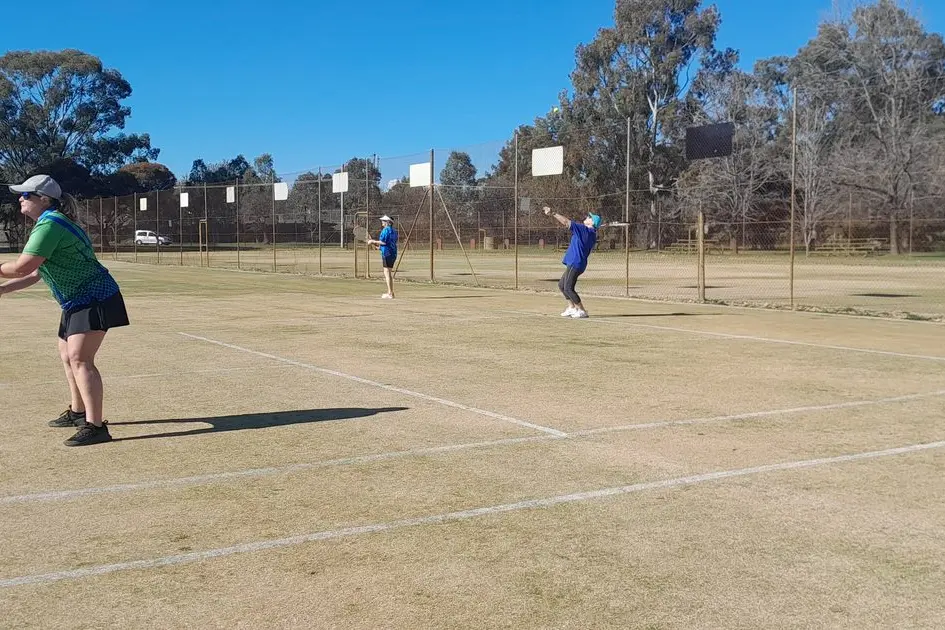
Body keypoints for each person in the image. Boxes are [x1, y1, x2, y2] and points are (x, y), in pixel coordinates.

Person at [0, 175, 130, 446]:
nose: (20, 199)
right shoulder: (49, 223)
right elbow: (37, 272)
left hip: (95, 297)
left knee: (80, 358)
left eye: (26, 194)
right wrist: (3, 290)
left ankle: (95, 427)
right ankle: (77, 411)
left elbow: (23, 266)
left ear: (43, 199)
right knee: (66, 355)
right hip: (75, 300)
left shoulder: (51, 224)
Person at [543, 205, 600, 318]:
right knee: (561, 285)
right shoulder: (590, 233)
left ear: (592, 223)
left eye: (590, 217)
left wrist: (553, 213)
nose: (587, 217)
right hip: (576, 262)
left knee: (568, 287)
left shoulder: (584, 230)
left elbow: (566, 222)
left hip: (576, 262)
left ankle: (582, 310)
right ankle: (572, 308)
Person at [367, 215, 398, 299]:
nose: (382, 222)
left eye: (384, 221)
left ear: (388, 222)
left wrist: (372, 241)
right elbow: (389, 243)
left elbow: (383, 242)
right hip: (393, 253)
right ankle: (390, 292)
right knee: (389, 273)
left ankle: (390, 293)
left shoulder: (385, 230)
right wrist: (378, 247)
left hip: (387, 253)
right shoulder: (394, 231)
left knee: (387, 273)